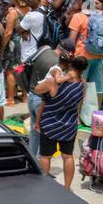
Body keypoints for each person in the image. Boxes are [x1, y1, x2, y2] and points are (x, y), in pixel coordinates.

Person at [33, 49, 86, 189]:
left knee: (45, 157)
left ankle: (44, 187)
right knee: (68, 156)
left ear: (70, 65)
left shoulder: (53, 82)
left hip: (50, 124)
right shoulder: (82, 84)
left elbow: (36, 89)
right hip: (69, 125)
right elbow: (79, 104)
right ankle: (67, 188)